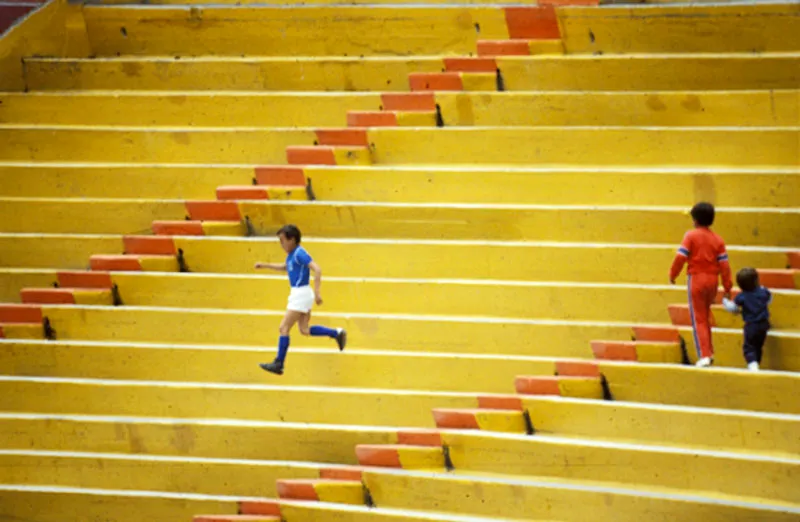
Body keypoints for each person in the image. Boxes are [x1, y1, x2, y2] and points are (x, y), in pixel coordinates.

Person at [255, 224, 346, 375]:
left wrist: (318, 292)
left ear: (292, 239)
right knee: (304, 329)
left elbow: (317, 268)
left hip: (301, 293)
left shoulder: (299, 253)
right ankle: (336, 333)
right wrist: (265, 265)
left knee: (284, 328)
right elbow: (285, 267)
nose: (281, 245)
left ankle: (279, 363)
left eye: (283, 241)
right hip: (300, 293)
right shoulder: (292, 255)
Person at [669, 202, 732, 367]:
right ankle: (709, 350)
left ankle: (705, 355)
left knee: (699, 318)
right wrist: (727, 287)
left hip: (696, 278)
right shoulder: (718, 240)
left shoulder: (690, 236)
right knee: (705, 314)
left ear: (695, 219)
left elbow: (680, 257)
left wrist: (673, 274)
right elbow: (724, 265)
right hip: (713, 280)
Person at [722, 268, 771, 371]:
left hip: (751, 325)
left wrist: (725, 301)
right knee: (758, 345)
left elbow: (733, 308)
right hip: (764, 324)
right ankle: (756, 361)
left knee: (749, 346)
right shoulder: (763, 292)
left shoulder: (742, 297)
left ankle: (753, 364)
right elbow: (769, 298)